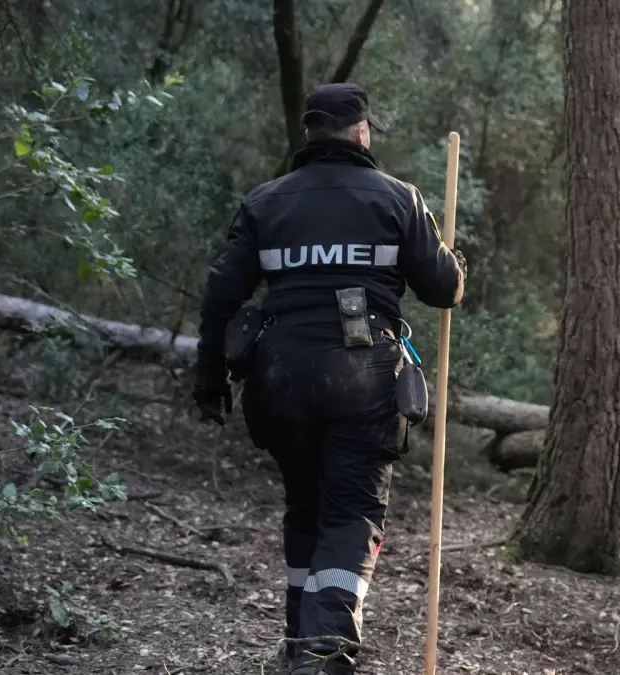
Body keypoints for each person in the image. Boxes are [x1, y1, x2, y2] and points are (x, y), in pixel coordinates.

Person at [191, 82, 464, 675]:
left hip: (279, 377)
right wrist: (452, 260)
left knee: (306, 506)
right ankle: (323, 653)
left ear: (308, 132)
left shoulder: (265, 202)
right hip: (364, 378)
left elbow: (221, 296)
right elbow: (443, 289)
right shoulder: (399, 198)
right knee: (351, 512)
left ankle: (299, 643)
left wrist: (209, 378)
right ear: (361, 132)